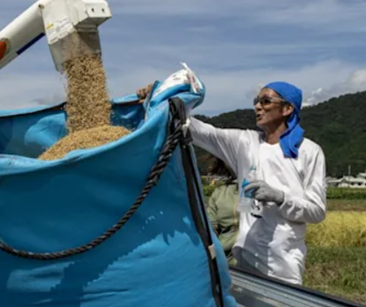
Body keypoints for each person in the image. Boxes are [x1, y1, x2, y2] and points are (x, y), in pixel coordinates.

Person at [138, 79, 326, 285]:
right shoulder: (245, 143)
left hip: (283, 263)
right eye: (256, 100)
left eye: (265, 101)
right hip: (245, 259)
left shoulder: (308, 151)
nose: (257, 106)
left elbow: (316, 211)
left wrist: (280, 198)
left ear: (287, 108)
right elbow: (198, 130)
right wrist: (160, 97)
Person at [205, 156, 239, 265]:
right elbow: (211, 228)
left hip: (259, 269)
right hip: (227, 264)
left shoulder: (265, 189)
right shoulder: (220, 193)